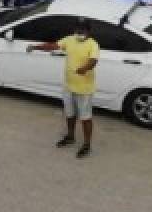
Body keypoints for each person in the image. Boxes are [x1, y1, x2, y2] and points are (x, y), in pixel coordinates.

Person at [28, 18, 99, 159]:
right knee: (69, 114)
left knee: (86, 118)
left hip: (84, 89)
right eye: (77, 30)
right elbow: (53, 46)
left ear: (89, 31)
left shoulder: (93, 44)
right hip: (68, 86)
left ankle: (86, 144)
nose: (79, 33)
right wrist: (36, 47)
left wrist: (84, 68)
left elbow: (93, 61)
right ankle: (70, 136)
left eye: (82, 30)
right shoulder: (69, 39)